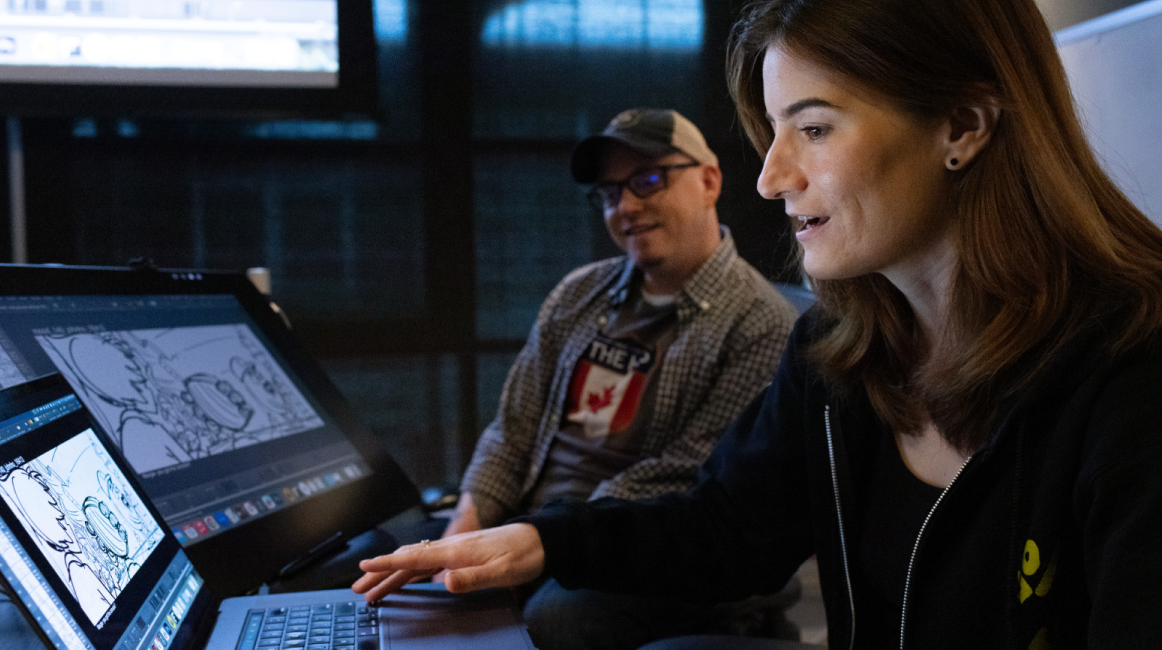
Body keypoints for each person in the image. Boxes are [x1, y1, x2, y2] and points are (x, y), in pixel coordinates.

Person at [354, 0, 1162, 647]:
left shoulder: (1132, 371)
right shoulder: (835, 351)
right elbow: (728, 526)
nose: (773, 178)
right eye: (774, 134)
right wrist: (537, 540)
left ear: (962, 127)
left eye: (812, 128)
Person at [436, 107, 798, 648]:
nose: (626, 206)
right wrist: (465, 528)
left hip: (635, 549)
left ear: (709, 181)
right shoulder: (579, 293)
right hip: (535, 527)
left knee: (554, 618)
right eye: (609, 193)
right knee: (393, 567)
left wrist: (541, 546)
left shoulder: (761, 324)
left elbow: (683, 483)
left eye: (647, 180)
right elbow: (511, 433)